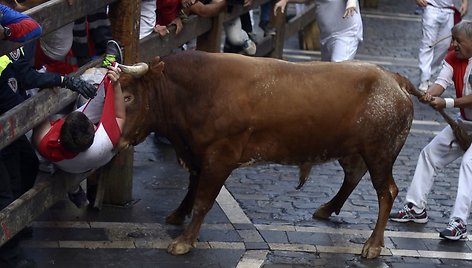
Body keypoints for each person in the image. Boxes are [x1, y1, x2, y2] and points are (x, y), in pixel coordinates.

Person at [390, 21, 472, 241]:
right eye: (453, 39)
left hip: (462, 118)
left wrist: (446, 103)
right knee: (429, 154)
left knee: (469, 165)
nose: (453, 44)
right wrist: (428, 94)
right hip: (464, 123)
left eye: (458, 40)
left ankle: (459, 223)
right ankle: (416, 209)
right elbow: (441, 82)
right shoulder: (454, 58)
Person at [32, 40, 124, 207]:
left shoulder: (45, 144)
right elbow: (119, 115)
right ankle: (108, 69)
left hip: (66, 164)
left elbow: (38, 117)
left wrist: (45, 91)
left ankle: (74, 188)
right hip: (98, 158)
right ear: (94, 128)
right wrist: (115, 83)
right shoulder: (104, 140)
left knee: (79, 88)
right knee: (92, 81)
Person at [274, 0, 362, 62]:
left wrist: (351, 2)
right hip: (327, 35)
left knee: (338, 69)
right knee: (327, 72)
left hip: (346, 33)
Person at [416, 0, 468, 91]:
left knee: (445, 45)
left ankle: (429, 73)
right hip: (430, 8)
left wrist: (465, 2)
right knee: (428, 44)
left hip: (448, 10)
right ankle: (424, 78)